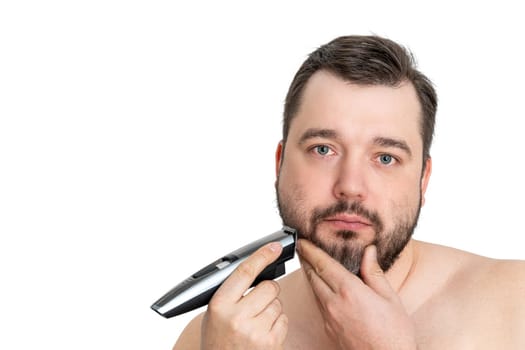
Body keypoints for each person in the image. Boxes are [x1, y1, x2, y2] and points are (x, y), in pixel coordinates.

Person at [172, 35, 525, 349]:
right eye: (323, 149)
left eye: (386, 157)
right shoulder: (215, 336)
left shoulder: (516, 302)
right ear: (279, 164)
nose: (351, 187)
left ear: (423, 179)